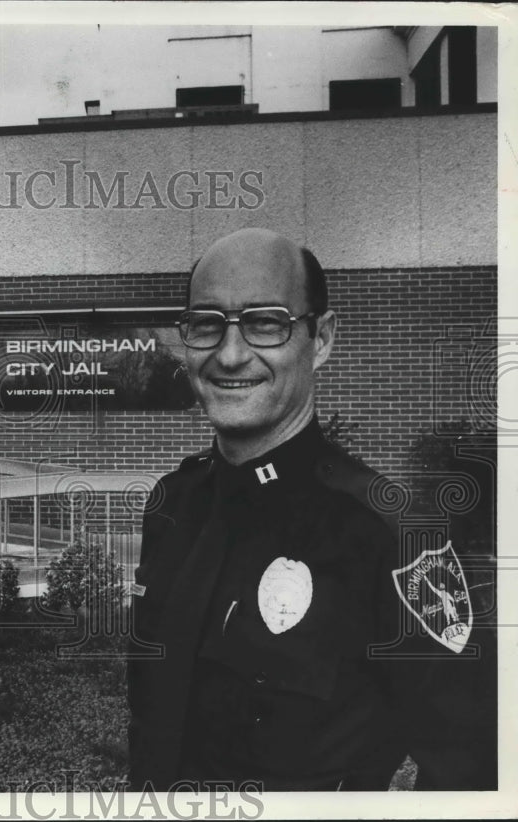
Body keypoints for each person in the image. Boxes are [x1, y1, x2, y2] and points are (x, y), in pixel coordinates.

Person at [127, 228, 495, 792]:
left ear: (320, 339)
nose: (230, 354)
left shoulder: (393, 536)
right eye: (206, 324)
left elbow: (473, 768)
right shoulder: (173, 505)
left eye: (265, 323)